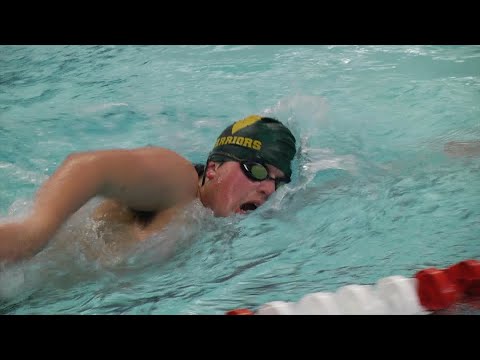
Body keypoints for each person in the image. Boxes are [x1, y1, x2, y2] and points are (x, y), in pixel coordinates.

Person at [0, 115, 297, 264]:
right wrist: (34, 233)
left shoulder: (210, 221)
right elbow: (89, 167)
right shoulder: (178, 182)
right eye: (256, 170)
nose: (268, 188)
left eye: (277, 181)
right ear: (212, 168)